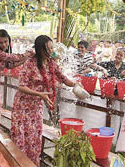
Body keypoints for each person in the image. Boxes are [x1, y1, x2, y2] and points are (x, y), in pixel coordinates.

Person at [11, 35, 78, 166]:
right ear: (39, 49)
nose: (51, 51)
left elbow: (63, 78)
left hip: (36, 107)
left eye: (52, 48)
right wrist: (40, 94)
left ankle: (32, 163)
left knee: (34, 137)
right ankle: (18, 163)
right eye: (48, 49)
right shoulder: (30, 63)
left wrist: (76, 85)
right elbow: (21, 86)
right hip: (23, 106)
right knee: (21, 136)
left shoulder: (52, 63)